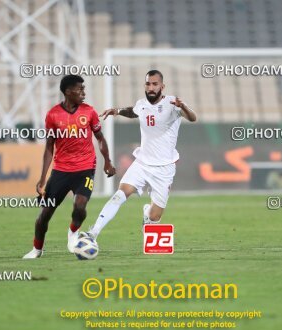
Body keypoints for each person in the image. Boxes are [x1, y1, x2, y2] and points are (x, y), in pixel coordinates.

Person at [80, 69, 197, 241]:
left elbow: (193, 118)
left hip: (164, 168)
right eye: (148, 83)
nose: (151, 87)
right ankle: (93, 233)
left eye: (155, 84)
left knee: (155, 217)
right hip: (142, 163)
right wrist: (117, 110)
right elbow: (134, 111)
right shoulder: (142, 103)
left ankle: (147, 216)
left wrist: (184, 106)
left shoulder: (173, 103)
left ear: (162, 86)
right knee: (120, 194)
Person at [23, 75, 116, 259]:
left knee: (80, 206)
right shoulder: (53, 115)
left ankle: (73, 233)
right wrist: (42, 179)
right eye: (79, 89)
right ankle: (37, 249)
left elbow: (100, 138)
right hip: (61, 171)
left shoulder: (89, 112)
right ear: (67, 91)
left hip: (85, 168)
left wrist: (107, 161)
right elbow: (49, 147)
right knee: (45, 214)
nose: (83, 92)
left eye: (84, 89)